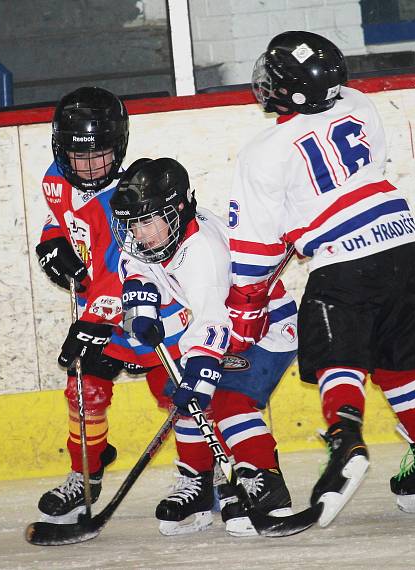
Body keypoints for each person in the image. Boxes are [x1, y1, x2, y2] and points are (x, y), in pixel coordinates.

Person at [226, 30, 415, 527]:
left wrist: (246, 308)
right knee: (396, 362)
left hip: (346, 261)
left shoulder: (263, 152)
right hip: (404, 243)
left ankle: (344, 442)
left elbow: (255, 250)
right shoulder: (360, 103)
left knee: (339, 355)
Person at [109, 157, 300, 536]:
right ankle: (198, 486)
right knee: (180, 392)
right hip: (224, 326)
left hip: (264, 330)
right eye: (134, 223)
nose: (139, 234)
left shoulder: (203, 255)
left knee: (226, 400)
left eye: (148, 221)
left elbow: (211, 323)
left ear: (178, 209)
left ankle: (264, 484)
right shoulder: (162, 236)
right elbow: (136, 264)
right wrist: (142, 300)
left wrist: (200, 373)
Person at [34, 86, 188, 524]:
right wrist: (51, 244)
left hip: (147, 307)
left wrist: (92, 322)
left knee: (176, 391)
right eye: (77, 157)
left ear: (118, 146)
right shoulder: (54, 179)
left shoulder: (129, 198)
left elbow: (122, 268)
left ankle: (202, 473)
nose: (86, 167)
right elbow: (59, 221)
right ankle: (86, 473)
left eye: (98, 155)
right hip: (98, 308)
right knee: (85, 390)